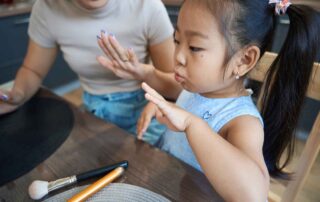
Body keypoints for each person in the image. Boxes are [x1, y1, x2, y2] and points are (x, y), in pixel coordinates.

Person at [99, 0, 320, 201]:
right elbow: (164, 82)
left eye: (194, 47)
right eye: (177, 40)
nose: (178, 56)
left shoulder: (241, 122)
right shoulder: (197, 87)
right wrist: (140, 71)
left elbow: (254, 195)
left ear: (244, 60)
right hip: (164, 186)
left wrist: (191, 124)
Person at [0, 0, 176, 145]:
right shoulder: (48, 8)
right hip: (92, 110)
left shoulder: (147, 6)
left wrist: (145, 74)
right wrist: (17, 95)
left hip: (145, 111)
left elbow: (175, 86)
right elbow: (33, 70)